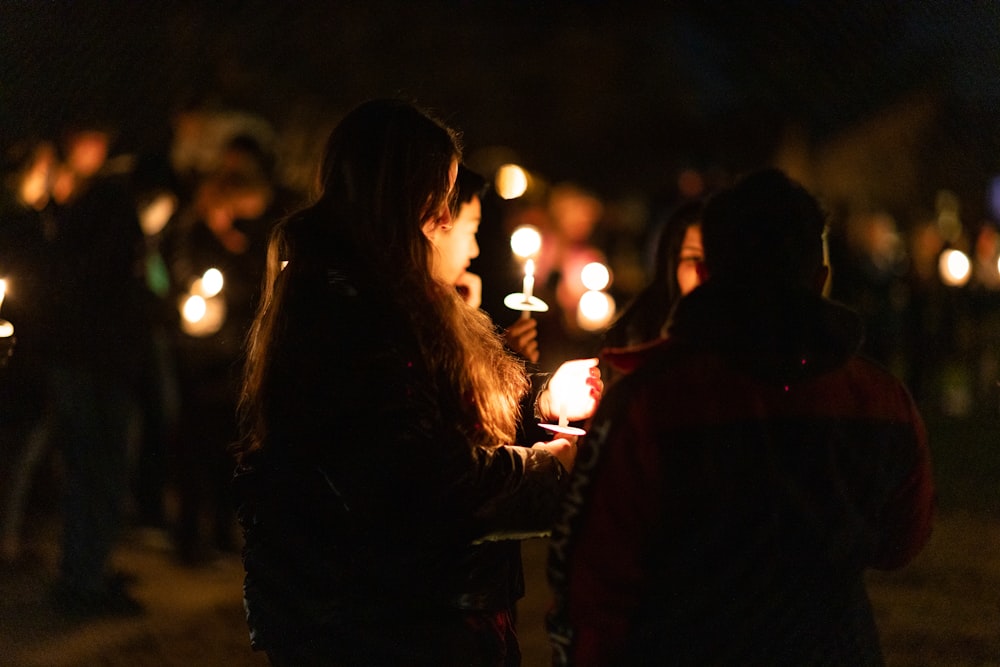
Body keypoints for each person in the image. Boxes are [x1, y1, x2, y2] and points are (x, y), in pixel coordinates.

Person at [233, 98, 600, 666]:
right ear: (404, 198)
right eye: (442, 200)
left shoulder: (397, 301)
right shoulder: (347, 311)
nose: (451, 222)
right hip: (380, 627)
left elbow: (444, 418)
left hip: (424, 614)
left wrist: (547, 398)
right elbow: (427, 484)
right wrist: (552, 468)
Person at [547, 168, 934, 666]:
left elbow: (593, 573)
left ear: (707, 274)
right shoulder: (879, 400)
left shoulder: (652, 402)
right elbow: (903, 538)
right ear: (819, 278)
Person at [601, 199, 704, 350]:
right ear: (672, 263)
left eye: (715, 257)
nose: (702, 270)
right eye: (693, 258)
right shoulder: (637, 333)